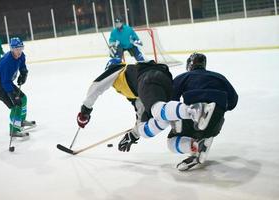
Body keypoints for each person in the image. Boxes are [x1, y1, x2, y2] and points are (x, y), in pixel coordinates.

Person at [76, 60, 216, 154]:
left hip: (148, 77)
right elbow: (141, 112)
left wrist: (85, 111)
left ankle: (192, 111)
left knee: (157, 110)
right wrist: (133, 134)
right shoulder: (132, 92)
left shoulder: (117, 69)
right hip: (164, 81)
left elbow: (97, 86)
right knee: (151, 124)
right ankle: (194, 142)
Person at [163, 52, 238, 171]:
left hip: (194, 120)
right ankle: (202, 139)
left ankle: (195, 136)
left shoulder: (183, 77)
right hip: (216, 121)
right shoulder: (219, 77)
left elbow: (172, 101)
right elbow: (233, 101)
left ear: (189, 65)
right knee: (207, 126)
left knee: (171, 142)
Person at [0, 37, 35, 137]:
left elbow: (22, 66)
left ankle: (21, 121)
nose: (19, 51)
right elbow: (5, 82)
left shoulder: (21, 56)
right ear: (11, 49)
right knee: (15, 106)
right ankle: (13, 130)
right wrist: (13, 95)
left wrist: (23, 74)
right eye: (16, 49)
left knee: (23, 99)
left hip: (6, 82)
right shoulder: (7, 62)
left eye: (21, 48)